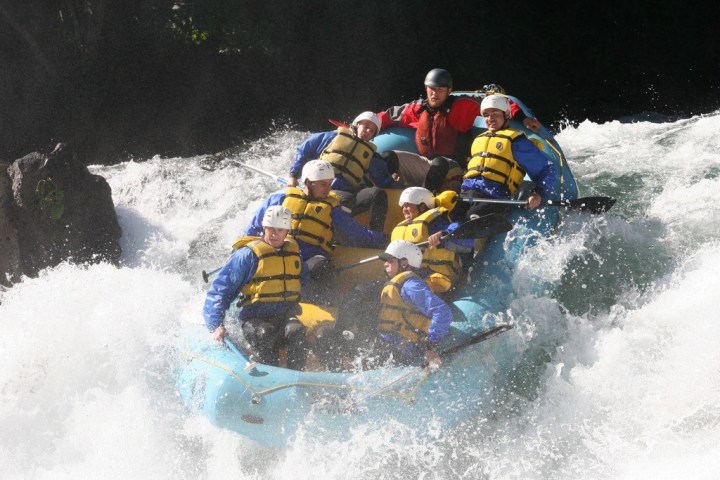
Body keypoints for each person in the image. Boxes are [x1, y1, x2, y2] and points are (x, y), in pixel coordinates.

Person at [376, 68, 541, 193]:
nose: (434, 93)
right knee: (386, 157)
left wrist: (522, 117)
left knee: (439, 163)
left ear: (448, 91)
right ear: (426, 88)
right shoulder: (417, 109)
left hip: (455, 169)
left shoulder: (461, 106)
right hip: (426, 165)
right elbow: (388, 116)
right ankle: (392, 196)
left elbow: (497, 102)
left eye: (440, 89)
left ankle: (426, 204)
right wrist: (362, 125)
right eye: (431, 89)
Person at [203, 206, 307, 370]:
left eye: (280, 229)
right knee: (265, 333)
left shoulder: (293, 252)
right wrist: (216, 324)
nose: (274, 233)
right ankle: (269, 377)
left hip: (284, 316)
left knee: (296, 331)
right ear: (264, 227)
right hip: (255, 319)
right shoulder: (247, 255)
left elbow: (303, 280)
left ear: (287, 231)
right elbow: (220, 290)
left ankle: (297, 379)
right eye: (270, 228)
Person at [244, 159, 387, 272]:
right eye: (323, 184)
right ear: (308, 182)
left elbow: (356, 233)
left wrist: (387, 240)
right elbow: (254, 227)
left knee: (322, 268)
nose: (329, 189)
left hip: (310, 257)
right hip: (277, 250)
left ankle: (322, 306)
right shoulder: (279, 199)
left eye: (330, 184)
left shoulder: (332, 208)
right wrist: (240, 250)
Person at [287, 112, 403, 231]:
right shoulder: (331, 138)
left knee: (376, 193)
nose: (368, 131)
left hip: (345, 194)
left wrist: (401, 186)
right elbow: (304, 151)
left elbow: (384, 180)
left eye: (372, 130)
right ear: (356, 124)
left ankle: (376, 235)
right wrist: (293, 175)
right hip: (317, 189)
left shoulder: (371, 157)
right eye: (366, 126)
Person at [460, 95, 557, 220]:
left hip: (494, 198)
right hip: (467, 194)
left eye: (495, 114)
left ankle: (454, 234)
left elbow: (547, 170)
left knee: (469, 216)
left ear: (506, 114)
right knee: (449, 213)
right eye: (486, 115)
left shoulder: (517, 142)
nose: (490, 119)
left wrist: (538, 193)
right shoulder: (479, 140)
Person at [391, 186, 474, 294]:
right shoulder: (401, 228)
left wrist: (444, 236)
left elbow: (468, 241)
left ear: (422, 206)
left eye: (407, 205)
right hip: (417, 279)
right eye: (403, 206)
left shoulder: (436, 223)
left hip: (443, 280)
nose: (404, 210)